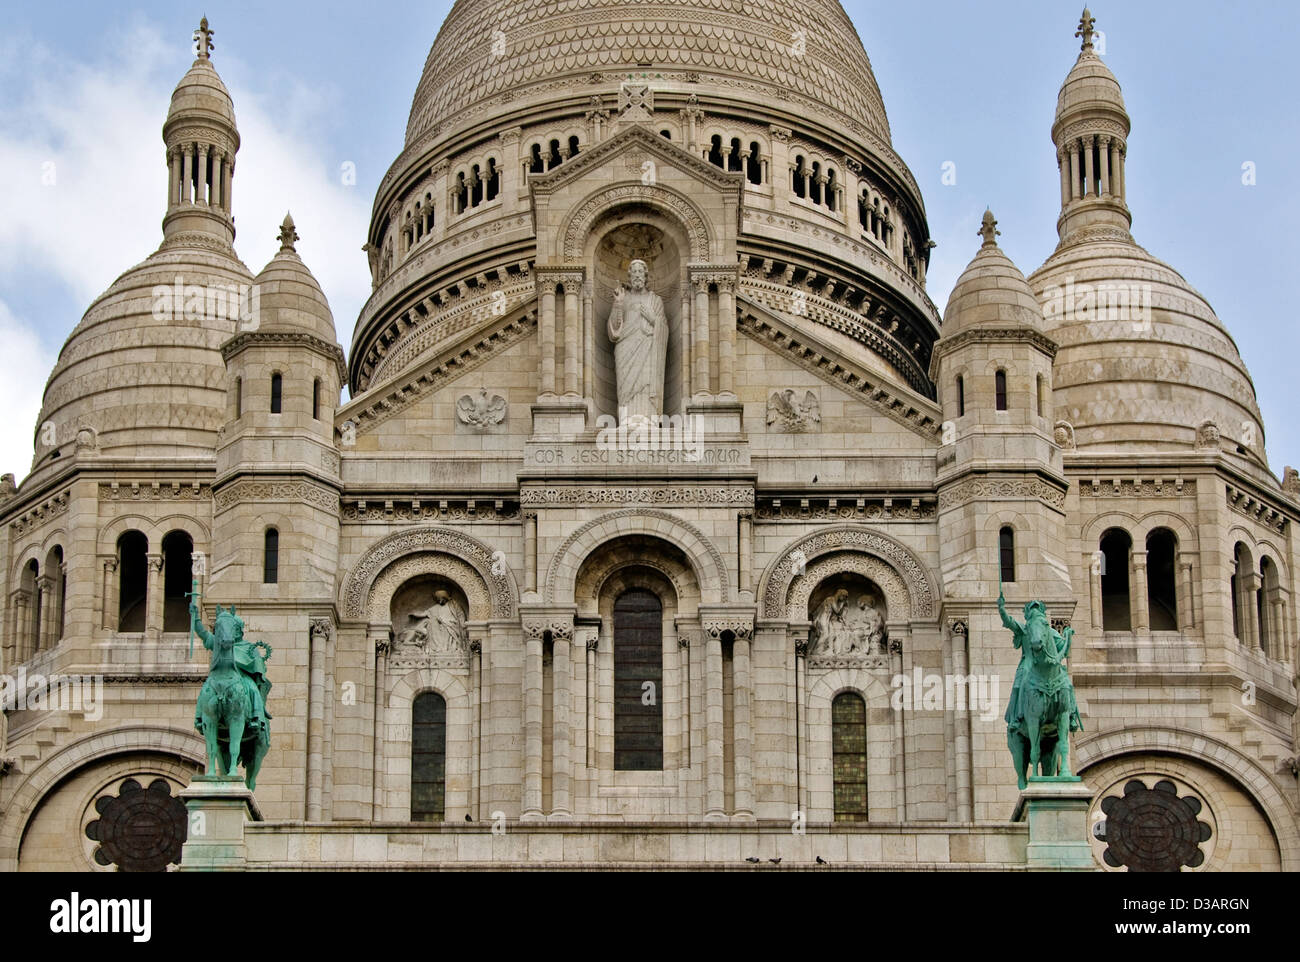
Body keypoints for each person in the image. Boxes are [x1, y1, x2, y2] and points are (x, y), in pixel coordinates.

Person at [607, 259, 669, 421]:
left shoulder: (655, 300)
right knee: (626, 385)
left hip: (647, 347)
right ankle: (626, 418)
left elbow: (663, 330)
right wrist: (618, 304)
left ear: (646, 276)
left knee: (645, 381)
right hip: (625, 348)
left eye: (640, 271)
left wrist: (653, 319)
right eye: (634, 272)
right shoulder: (623, 298)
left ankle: (648, 417)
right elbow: (614, 330)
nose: (637, 275)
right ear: (629, 276)